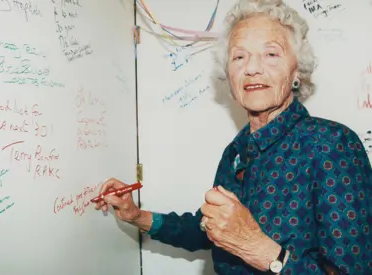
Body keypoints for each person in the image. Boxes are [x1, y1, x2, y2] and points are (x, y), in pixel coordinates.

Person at [95, 0, 372, 274]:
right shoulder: (236, 152)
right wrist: (136, 216)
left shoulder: (333, 145)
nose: (252, 68)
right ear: (228, 74)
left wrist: (262, 251)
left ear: (296, 70)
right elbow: (208, 229)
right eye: (239, 57)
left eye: (271, 54)